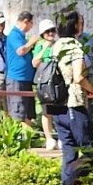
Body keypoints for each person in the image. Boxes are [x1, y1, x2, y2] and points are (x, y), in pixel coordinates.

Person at [49, 9, 93, 185]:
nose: (83, 24)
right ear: (74, 25)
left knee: (69, 153)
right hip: (74, 104)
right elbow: (78, 76)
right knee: (90, 152)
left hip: (57, 105)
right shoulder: (74, 46)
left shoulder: (56, 45)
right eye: (80, 21)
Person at [32, 19, 59, 150]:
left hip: (57, 80)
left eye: (52, 31)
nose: (50, 34)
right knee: (46, 110)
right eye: (47, 31)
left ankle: (60, 136)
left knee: (59, 109)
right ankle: (49, 138)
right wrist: (45, 48)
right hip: (44, 80)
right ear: (43, 33)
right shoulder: (40, 45)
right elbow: (34, 63)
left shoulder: (59, 44)